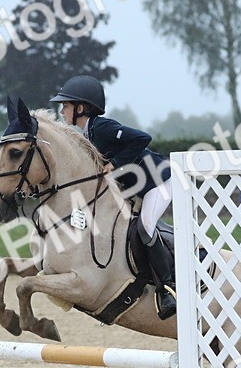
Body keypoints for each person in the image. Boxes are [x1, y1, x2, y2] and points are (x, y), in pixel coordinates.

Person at [49, 75, 177, 320]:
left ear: (81, 108)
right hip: (137, 187)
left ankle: (168, 289)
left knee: (146, 227)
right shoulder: (88, 136)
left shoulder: (103, 127)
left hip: (159, 181)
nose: (62, 110)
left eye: (65, 105)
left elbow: (142, 138)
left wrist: (115, 163)